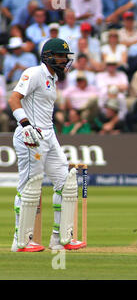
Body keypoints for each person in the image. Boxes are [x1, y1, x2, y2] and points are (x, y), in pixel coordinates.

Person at [8, 38, 86, 252]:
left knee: (67, 183)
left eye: (65, 57)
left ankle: (61, 238)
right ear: (49, 56)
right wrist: (25, 125)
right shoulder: (34, 73)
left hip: (49, 136)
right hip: (30, 136)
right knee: (29, 187)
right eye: (61, 57)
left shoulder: (52, 78)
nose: (64, 61)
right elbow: (14, 99)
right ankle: (21, 241)